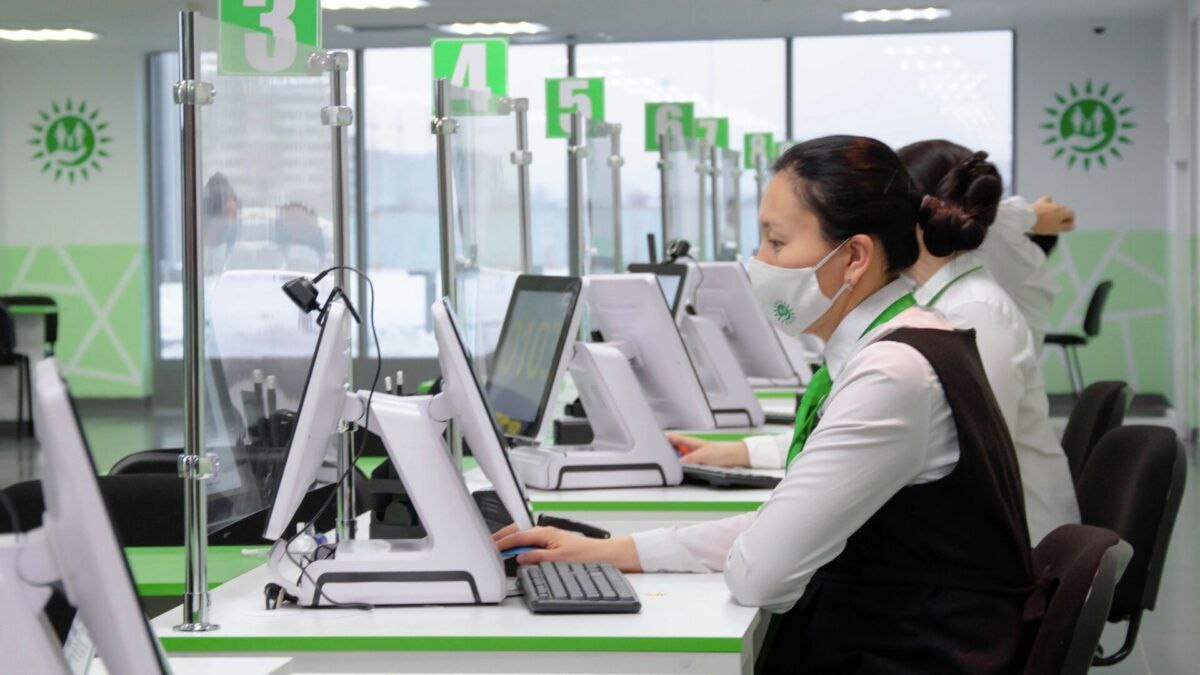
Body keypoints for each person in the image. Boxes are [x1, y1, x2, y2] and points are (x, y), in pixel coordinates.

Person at [497, 136, 1036, 672]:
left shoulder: (892, 374)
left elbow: (762, 573)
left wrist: (668, 550)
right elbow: (784, 528)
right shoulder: (898, 344)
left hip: (910, 655)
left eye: (776, 242)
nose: (760, 261)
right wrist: (611, 551)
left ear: (854, 257)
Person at [897, 140, 1080, 544]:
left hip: (1018, 540)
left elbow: (970, 449)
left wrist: (1032, 214)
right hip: (984, 521)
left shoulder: (977, 307)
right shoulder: (957, 283)